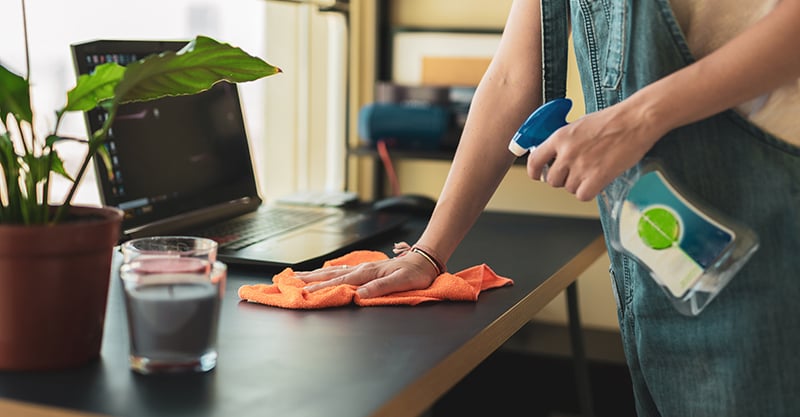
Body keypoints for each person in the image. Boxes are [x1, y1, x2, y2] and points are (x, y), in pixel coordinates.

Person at [295, 0, 800, 415]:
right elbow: (515, 77)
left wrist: (639, 117)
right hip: (659, 266)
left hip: (770, 237)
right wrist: (429, 252)